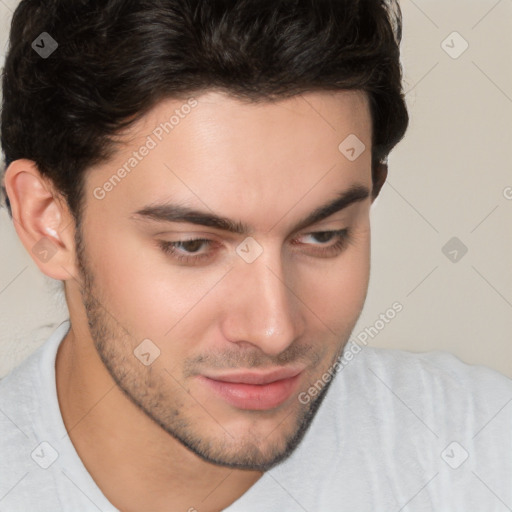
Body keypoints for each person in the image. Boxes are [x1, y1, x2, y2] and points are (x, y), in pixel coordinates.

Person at [1, 0, 511, 510]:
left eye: (323, 235)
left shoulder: (484, 456)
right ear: (47, 221)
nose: (275, 330)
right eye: (192, 246)